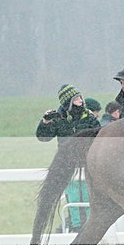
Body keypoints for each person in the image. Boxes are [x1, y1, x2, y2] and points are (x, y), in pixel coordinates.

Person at [35, 84, 100, 234]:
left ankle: (90, 229)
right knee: (74, 198)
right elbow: (43, 137)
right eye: (76, 98)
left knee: (88, 195)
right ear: (68, 101)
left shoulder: (89, 116)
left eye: (80, 97)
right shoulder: (58, 118)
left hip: (87, 164)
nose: (81, 101)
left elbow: (98, 136)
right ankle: (77, 228)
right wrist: (45, 122)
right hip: (67, 165)